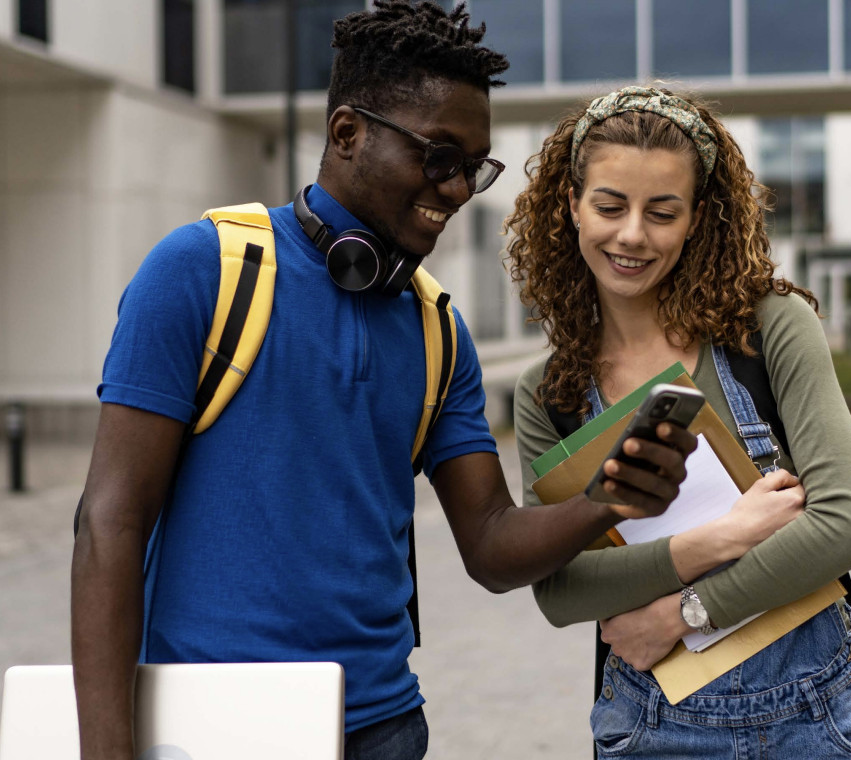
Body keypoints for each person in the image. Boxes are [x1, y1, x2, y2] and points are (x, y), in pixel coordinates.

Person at [70, 7, 697, 760]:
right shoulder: (202, 271)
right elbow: (108, 525)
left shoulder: (438, 332)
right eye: (439, 157)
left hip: (385, 728)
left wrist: (608, 501)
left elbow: (493, 543)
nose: (459, 187)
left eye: (474, 165)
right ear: (345, 134)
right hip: (214, 722)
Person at [505, 85, 851, 758]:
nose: (632, 235)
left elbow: (848, 523)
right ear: (570, 205)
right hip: (650, 727)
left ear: (695, 219)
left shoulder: (768, 330)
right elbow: (562, 591)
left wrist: (679, 614)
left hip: (818, 716)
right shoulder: (550, 394)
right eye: (609, 205)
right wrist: (722, 538)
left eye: (662, 212)